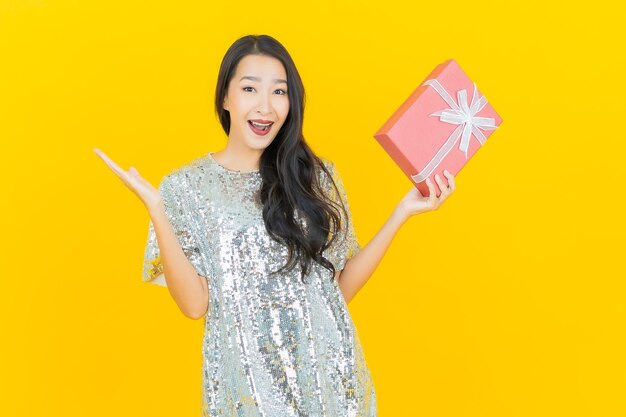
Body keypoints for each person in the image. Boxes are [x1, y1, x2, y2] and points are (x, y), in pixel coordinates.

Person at [94, 34, 455, 417]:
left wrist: (402, 212)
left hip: (330, 387)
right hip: (246, 395)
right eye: (249, 88)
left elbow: (336, 291)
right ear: (225, 98)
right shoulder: (186, 187)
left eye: (279, 92)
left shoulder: (315, 178)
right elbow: (195, 305)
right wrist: (156, 209)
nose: (265, 106)